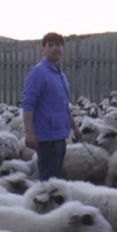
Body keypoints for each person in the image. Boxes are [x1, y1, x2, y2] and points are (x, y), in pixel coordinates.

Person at [21, 32, 82, 181]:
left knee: (55, 179)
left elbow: (63, 105)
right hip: (47, 137)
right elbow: (28, 103)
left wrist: (74, 128)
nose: (55, 48)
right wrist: (29, 133)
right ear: (43, 49)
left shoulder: (60, 74)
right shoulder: (38, 72)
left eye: (58, 45)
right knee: (48, 181)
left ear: (63, 49)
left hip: (61, 135)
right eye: (50, 45)